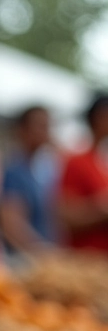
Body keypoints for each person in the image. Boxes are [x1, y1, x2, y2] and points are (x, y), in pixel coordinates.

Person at [0, 105, 62, 255]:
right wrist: (41, 250)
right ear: (22, 130)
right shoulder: (14, 169)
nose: (46, 131)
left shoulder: (46, 167)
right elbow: (12, 223)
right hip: (26, 257)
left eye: (48, 126)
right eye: (40, 126)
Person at [58, 93, 108, 253]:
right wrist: (101, 209)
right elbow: (67, 217)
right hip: (86, 258)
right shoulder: (77, 162)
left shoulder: (101, 160)